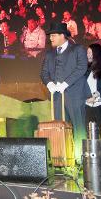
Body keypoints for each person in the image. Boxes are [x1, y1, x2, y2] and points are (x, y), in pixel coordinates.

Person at [41, 23, 88, 163]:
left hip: (74, 95)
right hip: (56, 96)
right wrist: (49, 83)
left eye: (53, 36)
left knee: (78, 126)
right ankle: (62, 157)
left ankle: (81, 159)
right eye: (50, 36)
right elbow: (43, 73)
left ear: (63, 36)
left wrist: (65, 83)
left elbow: (82, 67)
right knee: (59, 127)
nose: (51, 39)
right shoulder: (49, 54)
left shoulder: (77, 49)